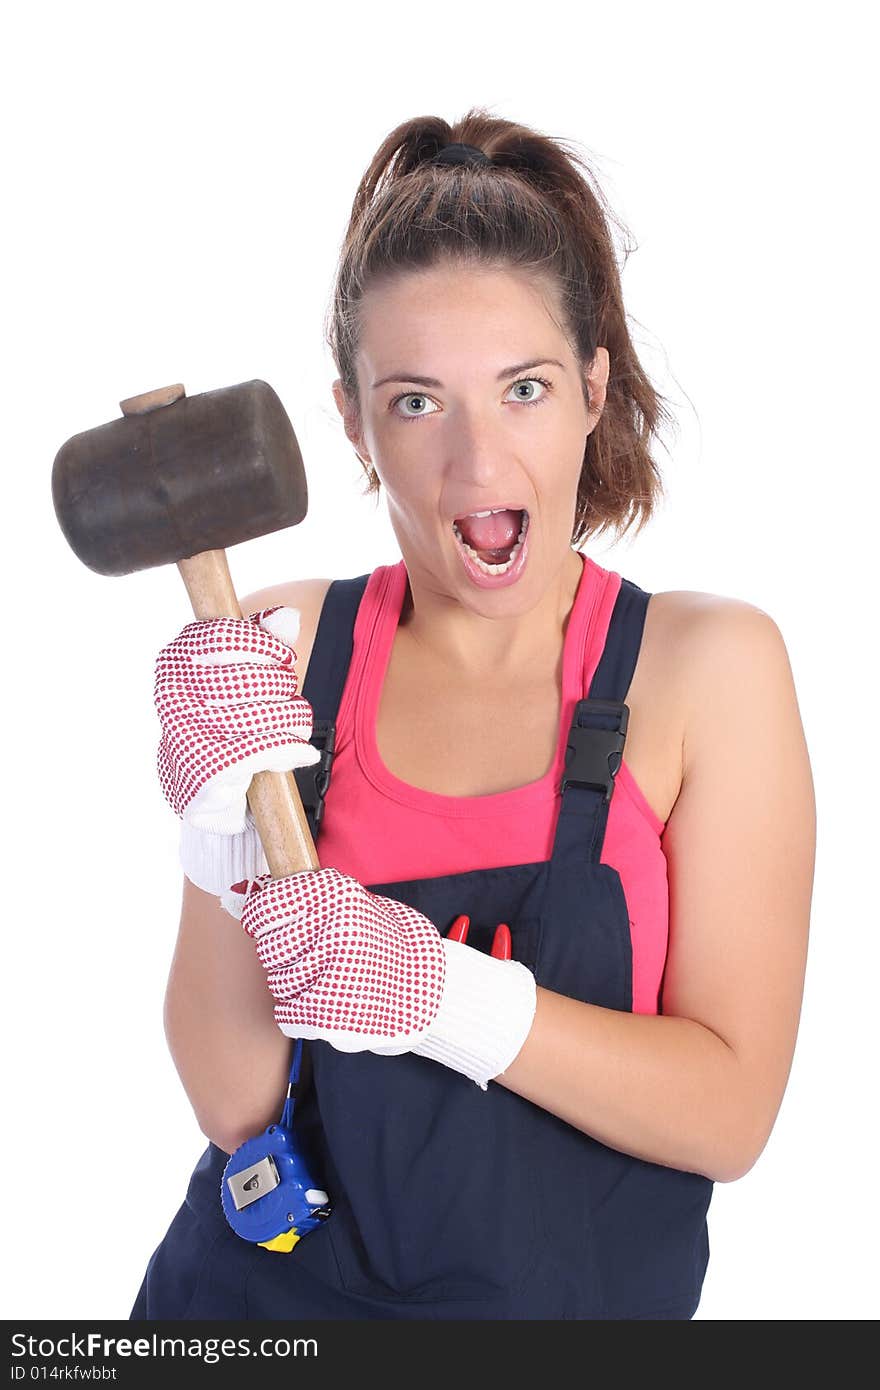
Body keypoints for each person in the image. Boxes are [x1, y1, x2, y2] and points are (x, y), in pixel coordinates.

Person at [129, 108, 816, 1321]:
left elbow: (731, 1112)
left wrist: (444, 998)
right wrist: (216, 833)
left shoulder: (705, 669)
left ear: (594, 389)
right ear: (349, 419)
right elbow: (239, 1107)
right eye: (414, 402)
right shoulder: (281, 652)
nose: (477, 461)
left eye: (524, 388)